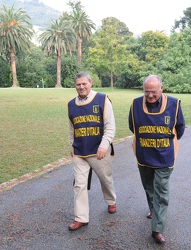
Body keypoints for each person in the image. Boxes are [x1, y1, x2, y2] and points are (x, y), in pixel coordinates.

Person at [128, 75, 185, 244]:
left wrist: (164, 143)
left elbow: (180, 128)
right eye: (147, 92)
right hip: (144, 156)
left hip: (164, 158)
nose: (150, 96)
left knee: (161, 192)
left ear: (162, 88)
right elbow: (133, 126)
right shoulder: (136, 104)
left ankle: (157, 229)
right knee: (148, 187)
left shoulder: (174, 104)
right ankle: (153, 210)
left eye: (154, 92)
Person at [67, 72, 117, 231]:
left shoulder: (102, 99)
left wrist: (104, 145)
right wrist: (71, 146)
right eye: (78, 84)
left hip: (99, 151)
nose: (81, 87)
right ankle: (80, 218)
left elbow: (110, 126)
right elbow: (71, 129)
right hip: (79, 151)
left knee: (105, 179)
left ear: (90, 83)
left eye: (84, 84)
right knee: (79, 185)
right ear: (75, 86)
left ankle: (111, 201)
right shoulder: (71, 104)